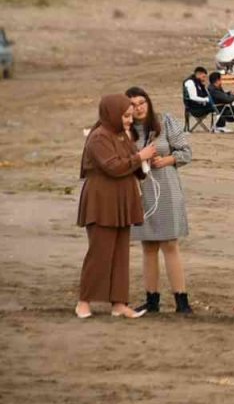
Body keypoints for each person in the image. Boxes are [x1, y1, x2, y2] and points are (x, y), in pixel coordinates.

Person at [75, 94, 156, 319]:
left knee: (121, 255)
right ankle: (84, 302)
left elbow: (133, 167)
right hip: (102, 201)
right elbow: (113, 167)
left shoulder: (122, 136)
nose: (130, 120)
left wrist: (143, 161)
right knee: (100, 253)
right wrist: (140, 156)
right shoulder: (98, 137)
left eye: (130, 116)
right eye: (126, 116)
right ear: (112, 114)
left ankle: (119, 304)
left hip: (122, 200)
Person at [126, 86, 194, 315]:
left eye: (141, 102)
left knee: (170, 244)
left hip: (167, 188)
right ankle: (152, 300)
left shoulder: (165, 121)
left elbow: (186, 152)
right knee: (148, 246)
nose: (138, 108)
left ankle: (181, 301)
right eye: (133, 105)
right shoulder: (125, 130)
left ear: (149, 102)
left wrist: (167, 160)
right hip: (142, 191)